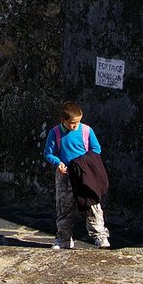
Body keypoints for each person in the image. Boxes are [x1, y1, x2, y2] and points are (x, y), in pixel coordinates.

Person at [43, 101, 110, 250]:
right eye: (72, 123)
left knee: (92, 206)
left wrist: (82, 163)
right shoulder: (55, 133)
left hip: (84, 175)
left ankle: (100, 236)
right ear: (63, 121)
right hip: (65, 175)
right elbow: (48, 152)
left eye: (78, 122)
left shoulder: (86, 131)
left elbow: (96, 149)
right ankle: (64, 239)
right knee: (64, 207)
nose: (75, 126)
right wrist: (57, 163)